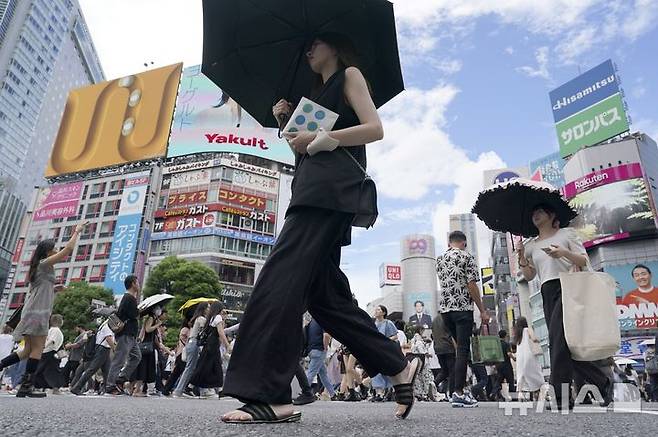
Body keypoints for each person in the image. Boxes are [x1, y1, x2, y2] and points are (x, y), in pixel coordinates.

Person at [221, 33, 420, 424]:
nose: (308, 50)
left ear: (335, 44)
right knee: (326, 299)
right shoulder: (312, 97)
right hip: (311, 190)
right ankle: (396, 364)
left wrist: (321, 137)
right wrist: (286, 121)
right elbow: (300, 148)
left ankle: (271, 396)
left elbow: (374, 128)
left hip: (329, 195)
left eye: (314, 44)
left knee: (278, 280)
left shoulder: (350, 75)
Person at [519, 204, 613, 409]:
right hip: (546, 291)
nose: (535, 215)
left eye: (540, 211)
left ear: (552, 215)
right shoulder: (531, 246)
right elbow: (529, 276)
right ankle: (602, 382)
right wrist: (521, 258)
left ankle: (560, 396)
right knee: (561, 344)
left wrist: (563, 253)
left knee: (558, 341)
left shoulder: (566, 234)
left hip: (567, 286)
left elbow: (584, 259)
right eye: (533, 212)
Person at [0, 224, 85, 398]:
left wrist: (54, 288)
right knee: (37, 349)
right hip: (38, 313)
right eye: (54, 249)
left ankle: (20, 381)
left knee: (25, 352)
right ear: (47, 252)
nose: (56, 251)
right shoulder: (45, 264)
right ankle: (26, 386)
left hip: (33, 311)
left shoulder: (40, 267)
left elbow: (39, 289)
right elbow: (68, 249)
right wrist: (77, 231)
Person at [436, 230, 488, 408]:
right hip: (462, 308)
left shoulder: (440, 259)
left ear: (449, 243)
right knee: (463, 351)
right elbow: (471, 284)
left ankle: (458, 391)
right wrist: (482, 310)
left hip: (445, 310)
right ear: (464, 243)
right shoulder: (467, 257)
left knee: (460, 350)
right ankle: (458, 392)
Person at [106, 275, 142, 395]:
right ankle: (110, 386)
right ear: (133, 283)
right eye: (137, 282)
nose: (139, 284)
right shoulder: (129, 298)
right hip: (125, 334)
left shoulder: (129, 298)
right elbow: (135, 315)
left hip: (130, 335)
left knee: (136, 356)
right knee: (119, 360)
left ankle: (121, 378)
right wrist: (140, 309)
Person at [191, 301, 232, 397]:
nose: (223, 310)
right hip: (213, 345)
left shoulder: (211, 317)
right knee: (214, 365)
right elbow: (221, 332)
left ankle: (193, 385)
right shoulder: (217, 317)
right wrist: (227, 345)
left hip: (209, 345)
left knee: (207, 365)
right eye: (222, 308)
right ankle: (219, 389)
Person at [70, 318, 115, 396]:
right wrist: (115, 348)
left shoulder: (104, 326)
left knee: (106, 370)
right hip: (103, 349)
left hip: (105, 349)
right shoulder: (107, 326)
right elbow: (108, 338)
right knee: (92, 369)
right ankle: (77, 387)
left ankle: (107, 389)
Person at [173, 302, 209, 398]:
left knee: (191, 368)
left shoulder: (197, 318)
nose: (209, 309)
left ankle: (184, 389)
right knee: (189, 368)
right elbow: (206, 329)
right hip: (194, 343)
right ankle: (179, 390)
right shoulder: (201, 319)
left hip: (191, 343)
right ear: (204, 309)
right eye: (208, 307)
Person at [129, 306, 164, 397]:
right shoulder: (151, 318)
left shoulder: (152, 318)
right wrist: (157, 325)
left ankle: (132, 388)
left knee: (142, 368)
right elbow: (148, 329)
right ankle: (136, 390)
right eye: (159, 309)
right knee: (143, 369)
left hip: (148, 347)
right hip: (146, 347)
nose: (160, 311)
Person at [304, 317, 337, 400]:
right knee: (311, 373)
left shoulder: (312, 321)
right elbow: (326, 335)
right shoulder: (323, 319)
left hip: (311, 350)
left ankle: (333, 394)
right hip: (319, 350)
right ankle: (304, 393)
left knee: (323, 374)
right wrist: (325, 348)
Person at [512, 317, 544, 400]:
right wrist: (539, 340)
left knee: (523, 375)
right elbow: (534, 338)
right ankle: (537, 393)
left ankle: (523, 394)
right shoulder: (527, 329)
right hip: (529, 356)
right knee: (535, 374)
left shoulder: (517, 335)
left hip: (520, 358)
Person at [33, 314, 65, 394]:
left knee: (42, 369)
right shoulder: (56, 330)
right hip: (51, 351)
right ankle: (55, 388)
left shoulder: (50, 329)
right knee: (54, 370)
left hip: (47, 351)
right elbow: (51, 340)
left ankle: (37, 385)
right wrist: (44, 347)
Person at [162, 317, 190, 396]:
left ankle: (166, 389)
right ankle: (183, 389)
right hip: (183, 354)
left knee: (176, 373)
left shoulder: (185, 329)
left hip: (180, 354)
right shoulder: (186, 329)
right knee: (183, 372)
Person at [432, 312, 456, 397]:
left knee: (445, 371)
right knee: (453, 371)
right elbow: (452, 335)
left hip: (438, 348)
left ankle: (433, 383)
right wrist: (456, 348)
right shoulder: (448, 318)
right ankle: (452, 393)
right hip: (448, 347)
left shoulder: (434, 320)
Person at [491, 330, 516, 401]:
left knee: (499, 381)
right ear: (505, 336)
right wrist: (514, 358)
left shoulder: (496, 345)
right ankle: (513, 397)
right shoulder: (506, 344)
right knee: (511, 381)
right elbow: (509, 353)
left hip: (499, 365)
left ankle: (493, 393)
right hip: (506, 365)